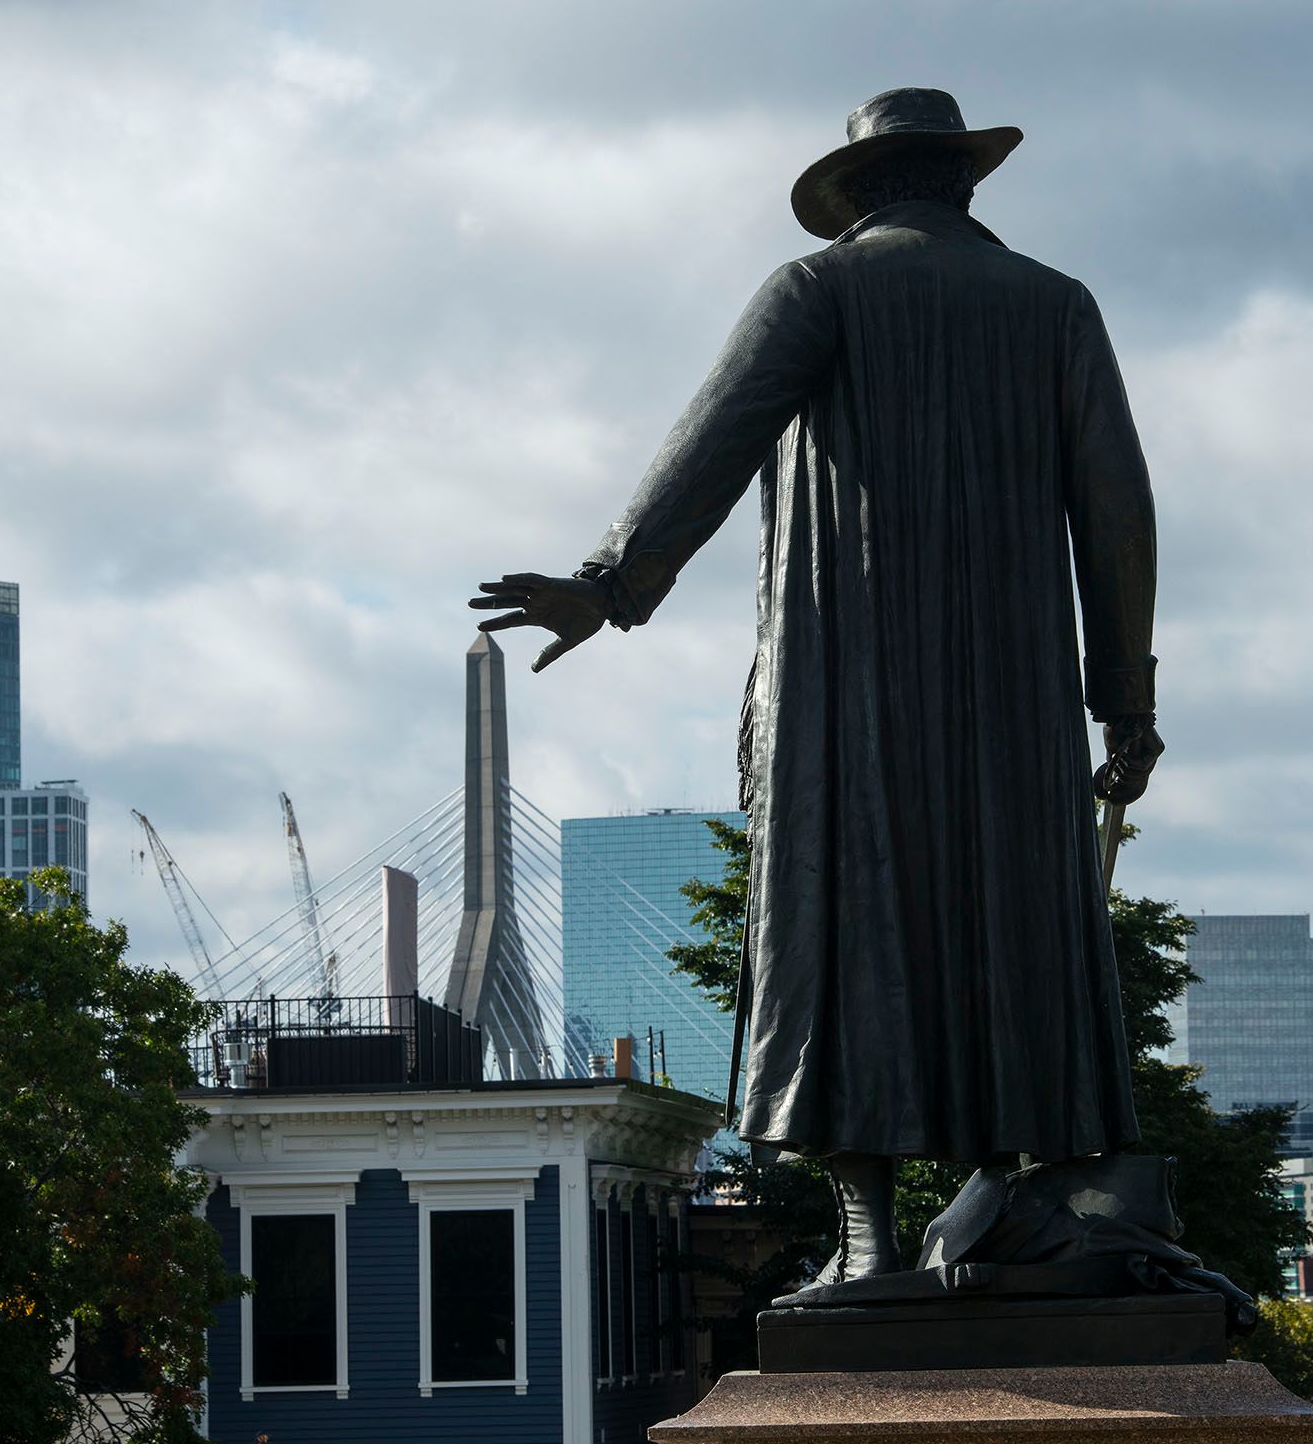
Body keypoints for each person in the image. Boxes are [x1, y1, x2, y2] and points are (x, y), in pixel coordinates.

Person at [472, 88, 1162, 1286]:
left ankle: (870, 1239)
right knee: (1015, 921)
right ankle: (1014, 1191)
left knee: (839, 928)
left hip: (847, 679)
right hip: (1014, 696)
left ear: (855, 194)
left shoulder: (818, 289)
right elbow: (1117, 514)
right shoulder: (1056, 306)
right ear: (961, 184)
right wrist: (1126, 701)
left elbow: (717, 440)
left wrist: (611, 582)